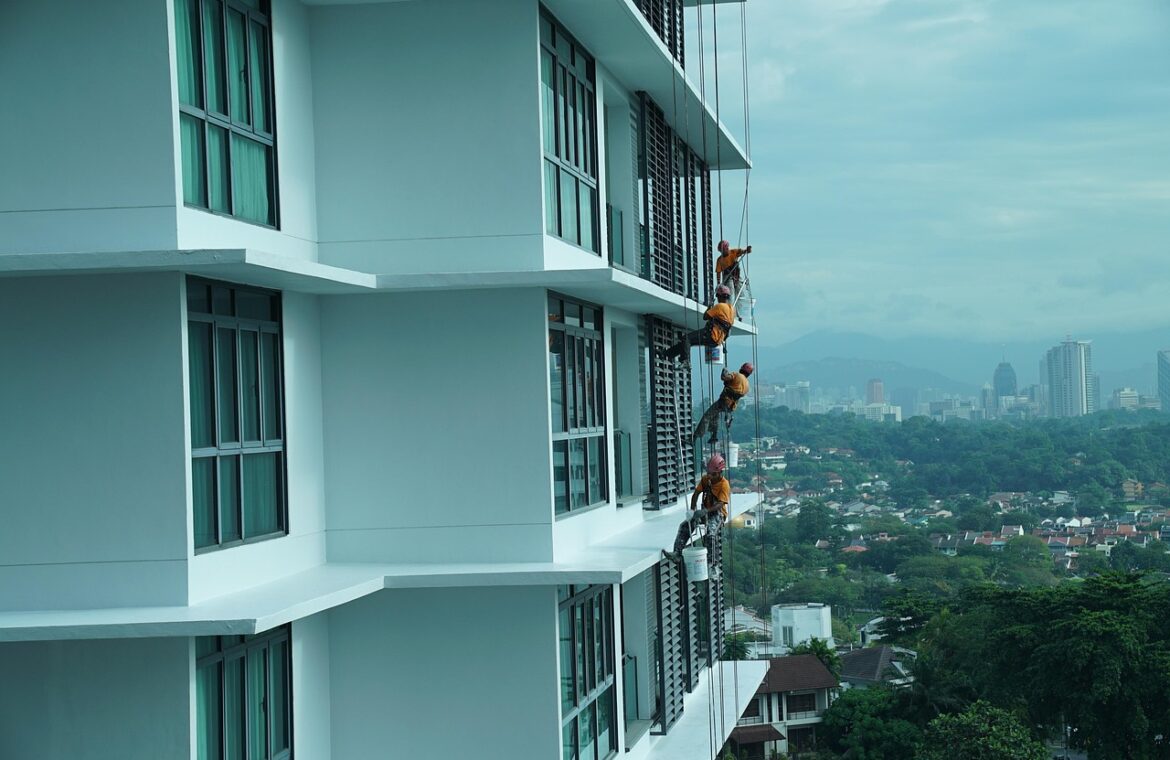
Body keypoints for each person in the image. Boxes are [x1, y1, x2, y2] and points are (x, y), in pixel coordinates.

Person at [668, 454, 731, 558]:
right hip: (705, 512)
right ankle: (677, 554)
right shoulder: (706, 480)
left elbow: (720, 504)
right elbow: (696, 494)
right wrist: (692, 510)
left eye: (713, 474)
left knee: (710, 534)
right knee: (685, 526)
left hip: (718, 514)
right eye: (709, 473)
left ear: (720, 472)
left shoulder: (724, 485)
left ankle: (711, 561)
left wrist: (706, 511)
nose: (710, 476)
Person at [661, 285, 737, 362]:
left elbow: (705, 316)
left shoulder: (720, 306)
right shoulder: (732, 310)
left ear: (719, 296)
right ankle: (666, 354)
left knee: (686, 339)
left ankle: (685, 360)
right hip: (717, 340)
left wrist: (710, 306)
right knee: (686, 343)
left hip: (711, 335)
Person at [693, 362, 753, 444]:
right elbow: (736, 388)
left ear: (742, 369)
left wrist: (724, 370)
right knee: (714, 415)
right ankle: (714, 435)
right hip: (731, 406)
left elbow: (724, 377)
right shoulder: (747, 384)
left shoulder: (737, 375)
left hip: (724, 401)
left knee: (707, 417)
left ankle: (695, 437)